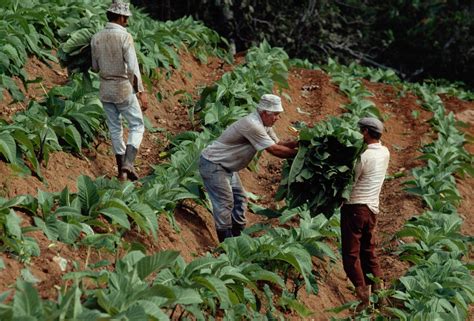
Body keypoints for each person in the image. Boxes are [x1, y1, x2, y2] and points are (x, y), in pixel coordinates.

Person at [199, 94, 298, 242]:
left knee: (240, 199)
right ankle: (226, 245)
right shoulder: (253, 125)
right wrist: (298, 155)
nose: (278, 118)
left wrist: (300, 144)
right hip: (214, 164)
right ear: (265, 113)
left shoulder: (264, 124)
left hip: (227, 167)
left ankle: (238, 239)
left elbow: (280, 144)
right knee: (225, 203)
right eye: (276, 115)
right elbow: (274, 151)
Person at [91, 0, 148, 181]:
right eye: (126, 17)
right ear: (121, 17)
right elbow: (132, 67)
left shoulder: (96, 37)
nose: (127, 21)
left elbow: (94, 67)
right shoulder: (125, 37)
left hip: (105, 90)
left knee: (115, 128)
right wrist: (141, 91)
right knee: (137, 125)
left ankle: (121, 172)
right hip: (123, 89)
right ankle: (128, 164)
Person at [341, 117, 390, 311]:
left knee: (351, 255)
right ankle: (380, 296)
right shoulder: (385, 152)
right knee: (368, 252)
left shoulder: (363, 156)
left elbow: (350, 181)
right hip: (372, 210)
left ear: (366, 133)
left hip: (355, 208)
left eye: (360, 131)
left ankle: (363, 300)